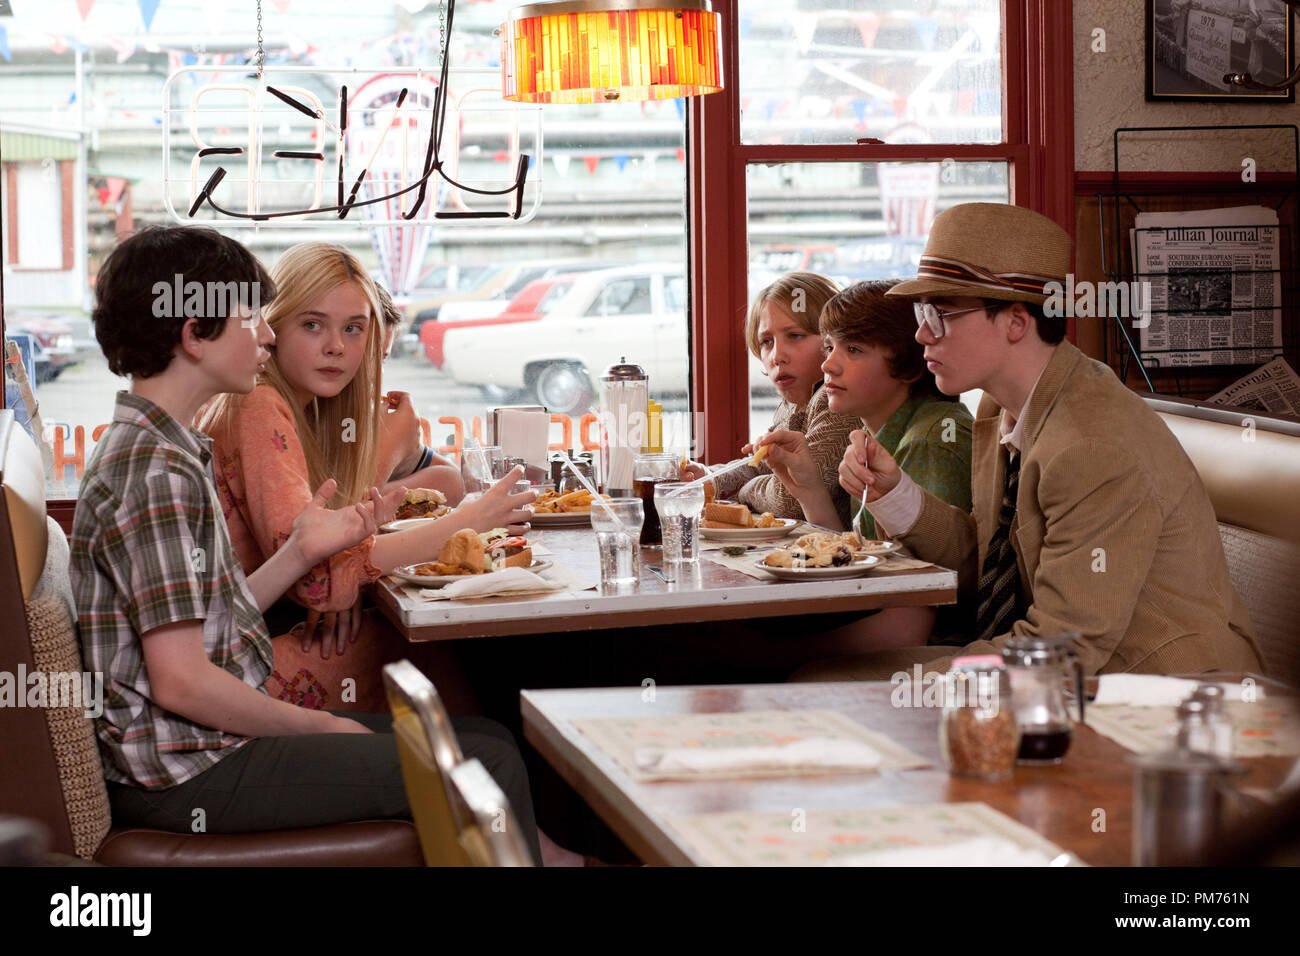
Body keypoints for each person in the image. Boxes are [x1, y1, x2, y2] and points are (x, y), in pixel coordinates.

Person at [70, 225, 550, 863]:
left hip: (200, 748)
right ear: (193, 334)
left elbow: (205, 621)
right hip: (190, 771)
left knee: (486, 735)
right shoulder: (154, 472)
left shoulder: (161, 449)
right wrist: (323, 725)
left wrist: (300, 549)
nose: (266, 335)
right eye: (251, 320)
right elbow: (183, 683)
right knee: (485, 759)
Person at [796, 202, 1261, 680]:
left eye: (941, 314)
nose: (920, 333)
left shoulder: (1093, 445)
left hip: (1160, 691)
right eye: (921, 312)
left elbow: (1065, 647)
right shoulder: (1001, 407)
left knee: (827, 682)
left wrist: (924, 685)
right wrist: (897, 496)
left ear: (1017, 321)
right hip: (1070, 666)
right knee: (820, 676)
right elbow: (993, 564)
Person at [197, 243, 522, 708]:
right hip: (235, 663)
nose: (337, 347)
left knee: (445, 657)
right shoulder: (258, 404)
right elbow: (320, 579)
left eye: (354, 329)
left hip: (261, 632)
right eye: (313, 325)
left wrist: (347, 580)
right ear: (274, 326)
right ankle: (479, 763)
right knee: (437, 657)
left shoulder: (308, 409)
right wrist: (465, 521)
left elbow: (435, 487)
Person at [758, 279, 973, 650]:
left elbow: (915, 611)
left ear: (907, 364)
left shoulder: (930, 440)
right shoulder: (873, 432)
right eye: (829, 346)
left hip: (939, 649)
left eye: (853, 349)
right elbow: (862, 564)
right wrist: (808, 487)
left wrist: (778, 658)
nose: (828, 363)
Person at [683, 272, 861, 525]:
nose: (777, 356)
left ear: (835, 338)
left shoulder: (835, 402)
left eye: (795, 335)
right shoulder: (792, 405)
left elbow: (790, 497)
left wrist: (743, 492)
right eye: (766, 342)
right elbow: (760, 465)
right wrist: (712, 479)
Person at [373, 282, 464, 502]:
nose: (373, 374)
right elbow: (335, 514)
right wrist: (388, 455)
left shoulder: (371, 416)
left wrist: (401, 440)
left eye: (381, 359)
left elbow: (452, 481)